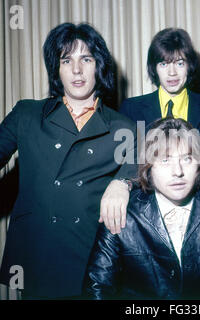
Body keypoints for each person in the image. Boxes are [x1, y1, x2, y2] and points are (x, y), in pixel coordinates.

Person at [0, 23, 137, 299]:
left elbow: (145, 168)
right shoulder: (27, 114)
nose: (77, 70)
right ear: (57, 68)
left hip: (90, 260)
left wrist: (123, 182)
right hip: (38, 255)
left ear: (99, 65)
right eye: (67, 60)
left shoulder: (123, 127)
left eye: (86, 59)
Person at [84, 117, 200, 300]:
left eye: (187, 159)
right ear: (148, 168)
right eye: (165, 160)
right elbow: (97, 288)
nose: (178, 172)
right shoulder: (122, 212)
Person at [119, 28, 200, 191]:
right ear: (154, 68)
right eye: (164, 64)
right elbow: (126, 169)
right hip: (147, 204)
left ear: (189, 66)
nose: (172, 73)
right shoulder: (131, 109)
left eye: (180, 63)